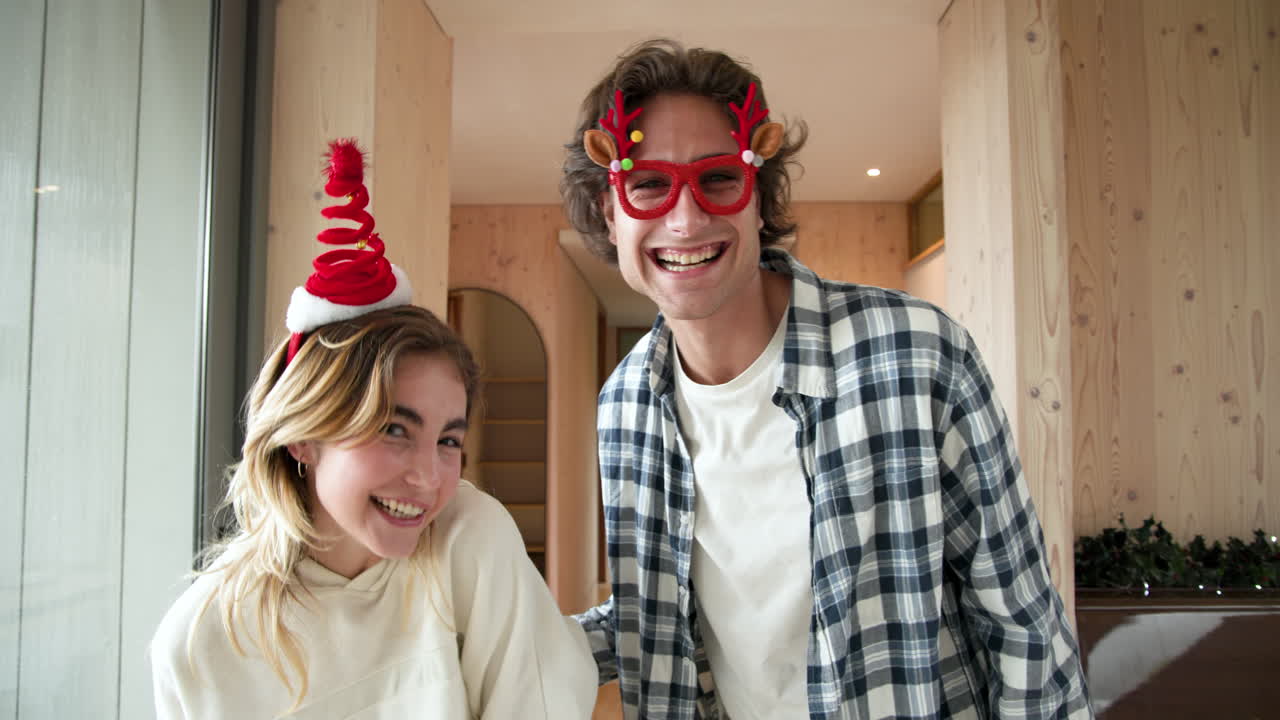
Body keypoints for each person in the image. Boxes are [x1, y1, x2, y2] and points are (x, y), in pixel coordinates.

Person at [562, 39, 1092, 719]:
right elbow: (657, 608)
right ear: (611, 213)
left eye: (719, 178)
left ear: (759, 196)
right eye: (648, 184)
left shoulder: (917, 356)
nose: (686, 218)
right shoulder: (624, 406)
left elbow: (1022, 629)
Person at [150, 140, 596, 719]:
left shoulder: (468, 542)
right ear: (303, 436)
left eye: (449, 441)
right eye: (392, 429)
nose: (428, 476)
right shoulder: (201, 643)